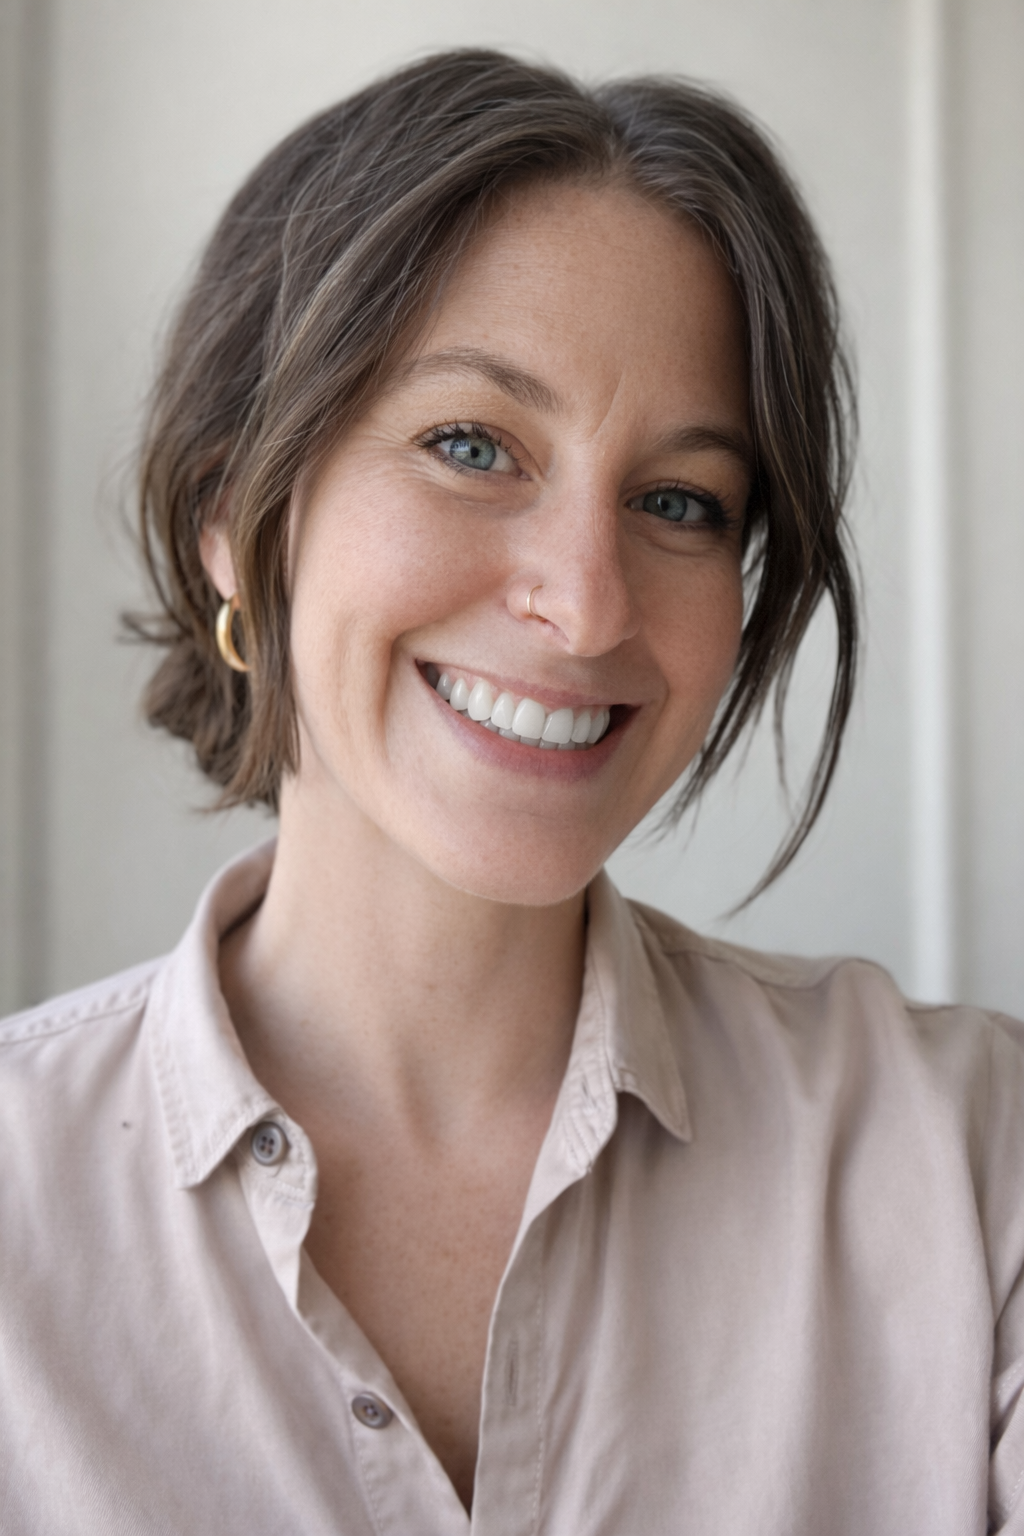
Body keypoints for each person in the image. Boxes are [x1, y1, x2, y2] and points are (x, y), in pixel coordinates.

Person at [1, 48, 1022, 1536]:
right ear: (236, 519)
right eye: (472, 445)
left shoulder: (975, 1161)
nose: (588, 603)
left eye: (681, 500)